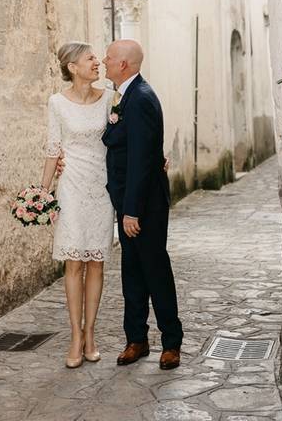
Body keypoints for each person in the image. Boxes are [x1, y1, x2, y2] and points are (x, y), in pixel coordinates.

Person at [101, 39, 183, 370]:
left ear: (124, 65)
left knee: (154, 271)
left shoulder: (141, 99)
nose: (104, 61)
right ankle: (136, 338)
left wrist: (131, 210)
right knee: (132, 272)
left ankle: (171, 342)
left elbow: (139, 160)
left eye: (109, 57)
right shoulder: (127, 96)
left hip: (144, 205)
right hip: (130, 202)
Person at [38, 41, 114, 368]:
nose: (97, 62)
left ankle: (91, 334)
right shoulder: (56, 103)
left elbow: (124, 139)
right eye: (90, 58)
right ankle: (74, 335)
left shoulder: (111, 98)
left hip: (102, 185)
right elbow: (54, 148)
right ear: (73, 67)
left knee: (96, 262)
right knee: (73, 262)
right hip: (70, 186)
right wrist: (42, 192)